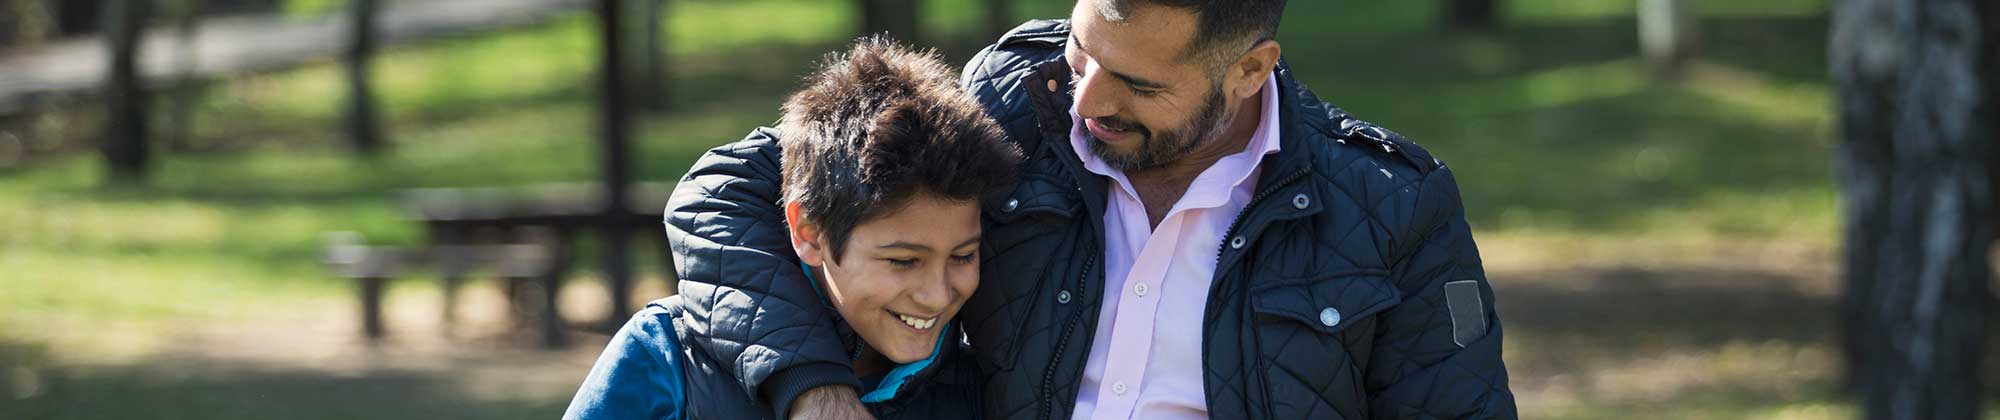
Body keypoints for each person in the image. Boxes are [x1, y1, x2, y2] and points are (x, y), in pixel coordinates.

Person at [665, 0, 1520, 418]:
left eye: (1138, 84)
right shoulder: (1010, 96)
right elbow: (723, 194)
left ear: (1251, 70)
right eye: (1083, 50)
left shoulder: (1392, 206)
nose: (1086, 99)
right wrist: (812, 388)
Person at [562, 37, 1023, 420]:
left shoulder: (985, 388)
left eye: (963, 255)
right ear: (808, 232)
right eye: (903, 260)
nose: (936, 294)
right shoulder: (667, 356)